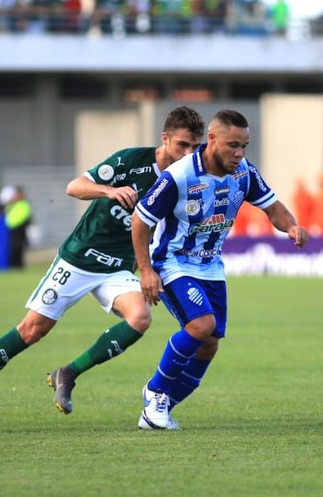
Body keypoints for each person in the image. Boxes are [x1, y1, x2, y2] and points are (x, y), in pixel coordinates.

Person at [0, 106, 204, 425]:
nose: (188, 153)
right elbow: (74, 186)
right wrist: (109, 190)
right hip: (80, 258)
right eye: (182, 145)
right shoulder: (131, 160)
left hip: (118, 267)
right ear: (165, 139)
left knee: (140, 318)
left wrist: (150, 268)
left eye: (194, 147)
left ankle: (68, 373)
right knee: (32, 330)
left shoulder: (187, 180)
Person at [133, 109, 310, 430]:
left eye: (245, 145)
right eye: (233, 145)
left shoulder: (243, 172)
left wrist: (292, 226)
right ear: (212, 140)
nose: (239, 153)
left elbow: (272, 206)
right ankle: (155, 390)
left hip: (211, 266)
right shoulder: (179, 175)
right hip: (173, 262)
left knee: (210, 342)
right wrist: (146, 270)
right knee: (201, 326)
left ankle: (161, 408)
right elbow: (140, 220)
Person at [1, 185, 32, 269]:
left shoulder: (24, 205)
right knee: (12, 251)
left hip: (18, 233)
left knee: (17, 250)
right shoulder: (11, 204)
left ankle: (18, 267)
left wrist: (7, 225)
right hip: (10, 233)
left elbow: (17, 219)